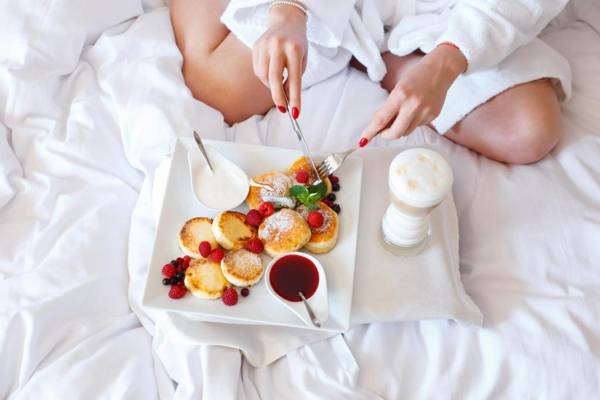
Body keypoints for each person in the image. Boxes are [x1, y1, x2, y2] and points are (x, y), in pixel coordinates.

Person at [171, 0, 571, 164]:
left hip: (445, 11)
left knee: (527, 130)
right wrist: (289, 11)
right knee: (216, 87)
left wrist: (449, 59)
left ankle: (383, 52)